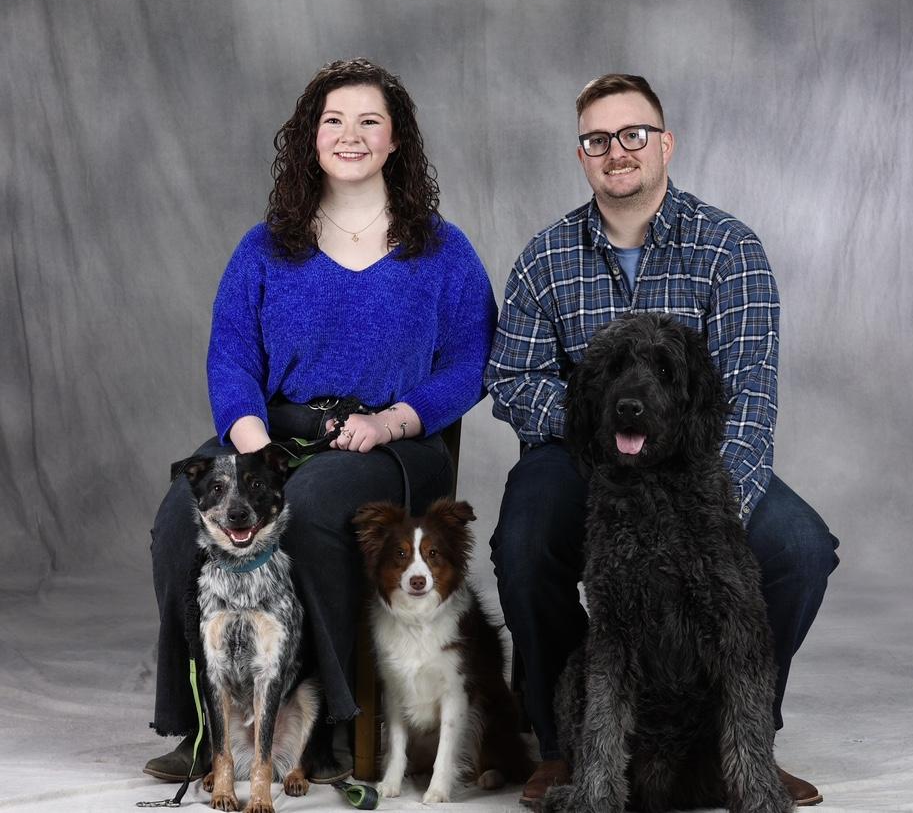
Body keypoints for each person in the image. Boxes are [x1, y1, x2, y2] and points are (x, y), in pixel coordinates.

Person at [485, 73, 839, 808]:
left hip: (695, 465)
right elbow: (513, 378)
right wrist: (592, 430)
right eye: (597, 140)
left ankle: (742, 738)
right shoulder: (546, 257)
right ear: (582, 154)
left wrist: (707, 517)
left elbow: (749, 394)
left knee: (803, 547)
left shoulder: (730, 248)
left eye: (632, 135)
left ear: (664, 143)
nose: (617, 151)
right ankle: (564, 747)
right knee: (522, 540)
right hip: (584, 458)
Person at [144, 58, 497, 781]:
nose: (351, 135)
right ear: (310, 138)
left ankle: (334, 726)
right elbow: (231, 357)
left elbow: (471, 361)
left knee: (308, 508)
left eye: (370, 121)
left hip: (392, 441)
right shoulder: (266, 246)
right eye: (333, 121)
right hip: (273, 433)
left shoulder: (442, 250)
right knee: (184, 516)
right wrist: (254, 445)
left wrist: (396, 419)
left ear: (396, 140)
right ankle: (208, 727)